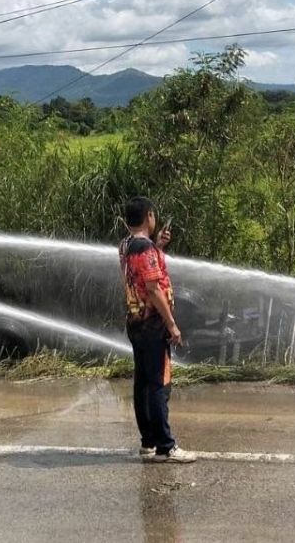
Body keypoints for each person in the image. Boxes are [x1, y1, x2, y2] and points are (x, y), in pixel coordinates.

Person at [119, 197, 196, 464]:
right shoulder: (145, 248)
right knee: (158, 384)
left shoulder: (127, 245)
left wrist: (159, 246)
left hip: (135, 323)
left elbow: (141, 274)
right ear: (149, 216)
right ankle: (166, 445)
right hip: (153, 326)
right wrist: (172, 325)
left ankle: (148, 442)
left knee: (142, 383)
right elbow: (153, 288)